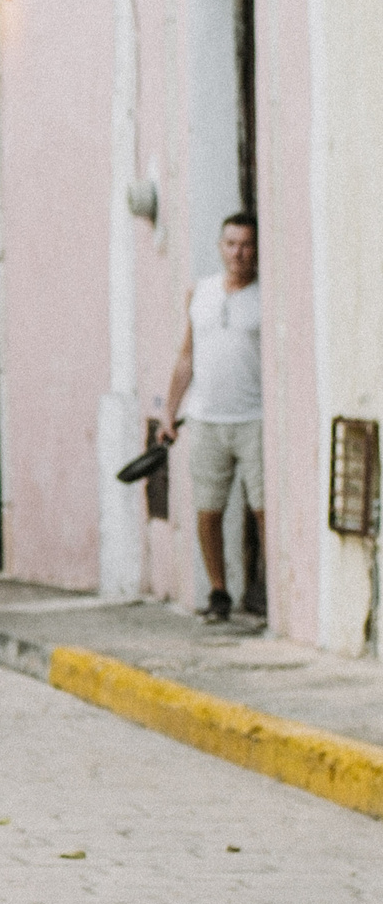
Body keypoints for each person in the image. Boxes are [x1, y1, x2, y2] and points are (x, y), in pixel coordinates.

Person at [164, 213, 263, 622]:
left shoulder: (264, 294)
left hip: (254, 418)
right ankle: (219, 592)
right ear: (220, 246)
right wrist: (169, 412)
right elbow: (186, 357)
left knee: (263, 509)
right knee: (209, 510)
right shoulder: (200, 293)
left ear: (256, 249)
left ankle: (267, 590)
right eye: (230, 243)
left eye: (246, 245)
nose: (238, 252)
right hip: (206, 418)